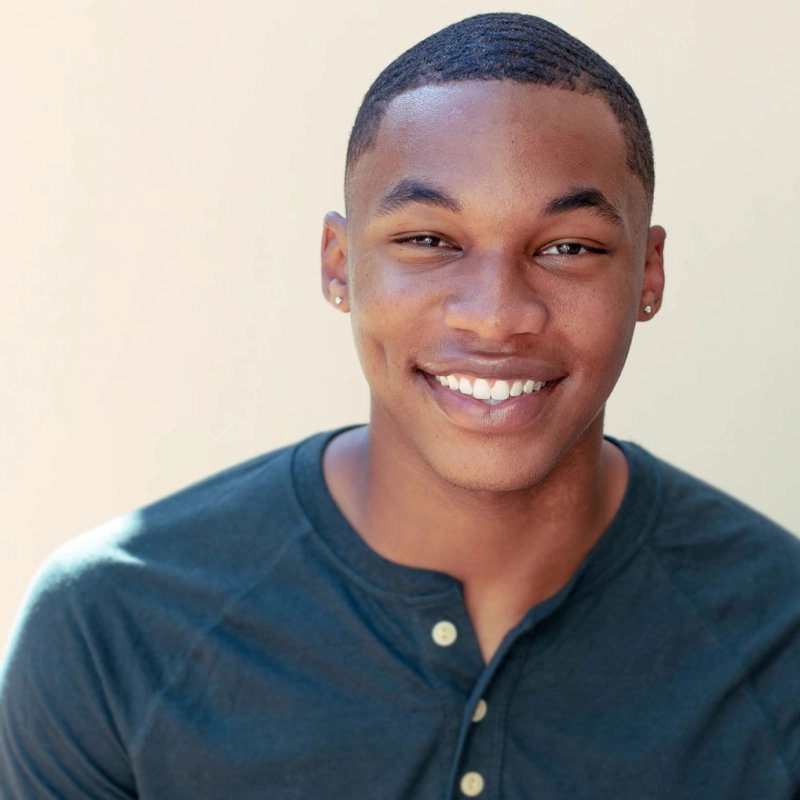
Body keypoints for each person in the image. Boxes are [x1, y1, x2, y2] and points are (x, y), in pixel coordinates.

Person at [1, 11, 798, 799]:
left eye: (568, 248)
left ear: (648, 275)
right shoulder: (115, 625)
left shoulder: (780, 636)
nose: (494, 314)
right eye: (429, 241)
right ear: (340, 265)